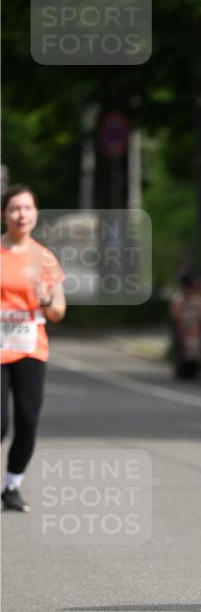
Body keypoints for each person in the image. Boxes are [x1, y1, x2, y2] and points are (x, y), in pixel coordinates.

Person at [1, 185, 66, 511]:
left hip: (30, 347)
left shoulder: (44, 258)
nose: (21, 214)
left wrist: (46, 299)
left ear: (36, 213)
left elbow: (58, 311)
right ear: (4, 214)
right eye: (14, 208)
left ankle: (11, 486)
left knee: (27, 420)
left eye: (27, 208)